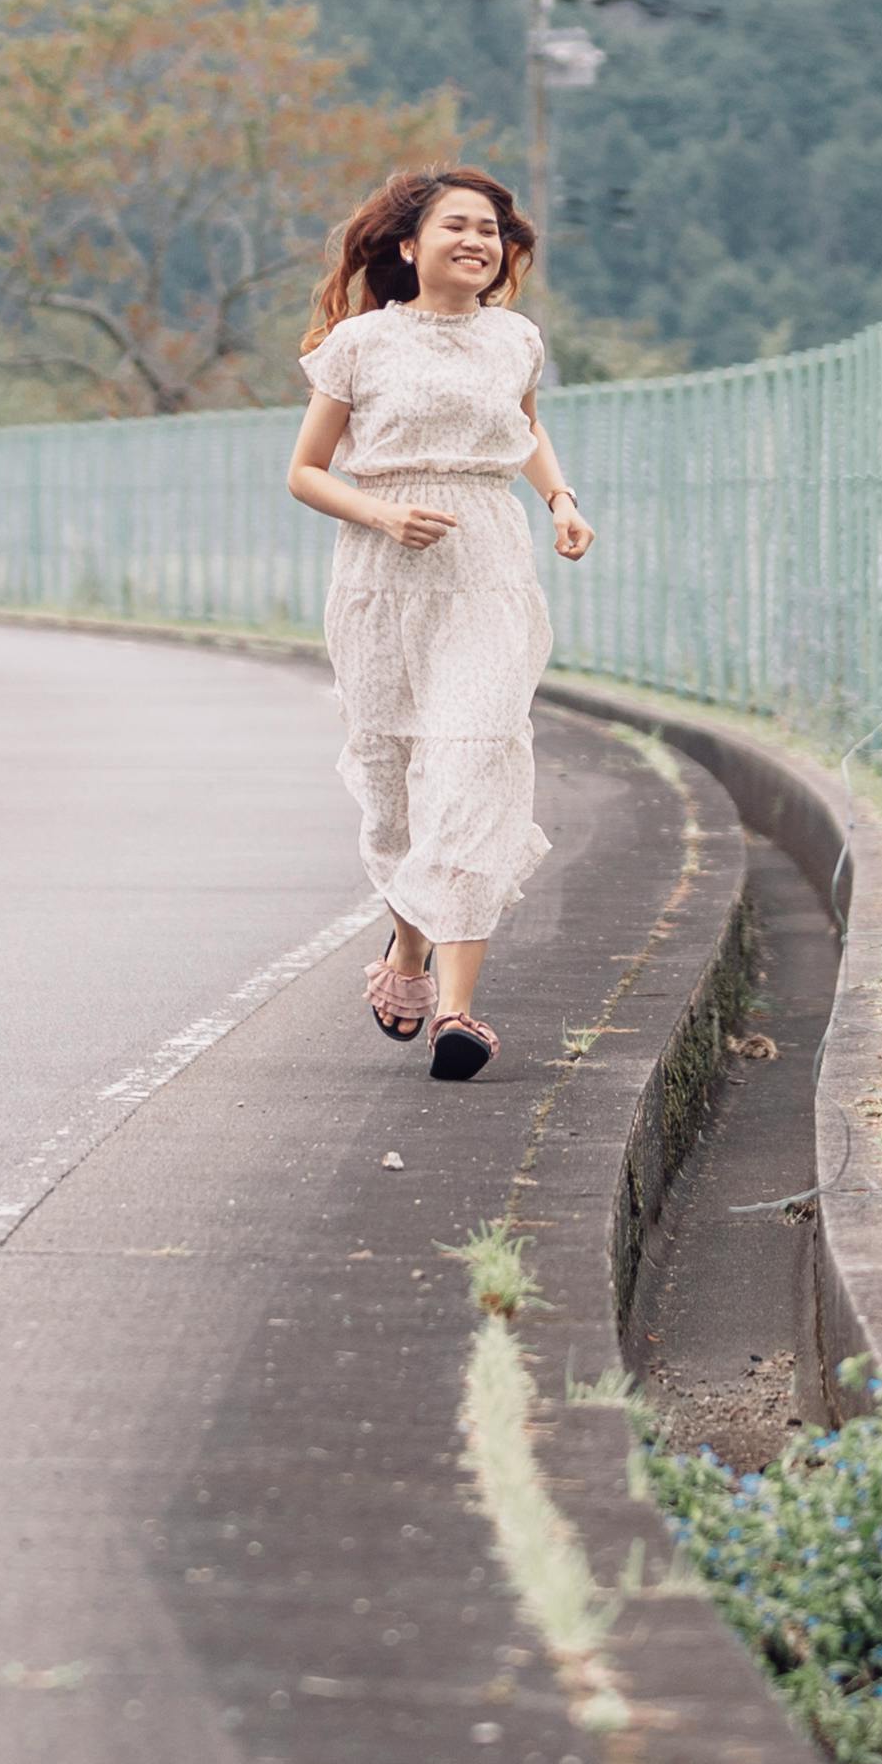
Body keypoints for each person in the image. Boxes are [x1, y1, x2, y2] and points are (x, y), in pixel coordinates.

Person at [286, 165, 589, 1081]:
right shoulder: (361, 345)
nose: (478, 242)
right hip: (383, 574)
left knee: (476, 755)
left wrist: (560, 501)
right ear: (409, 246)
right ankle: (405, 954)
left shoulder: (514, 340)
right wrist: (381, 514)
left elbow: (525, 429)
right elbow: (306, 470)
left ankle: (458, 1012)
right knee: (401, 780)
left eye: (492, 231)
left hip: (487, 564)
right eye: (457, 226)